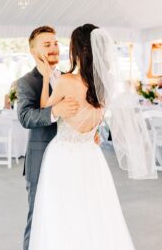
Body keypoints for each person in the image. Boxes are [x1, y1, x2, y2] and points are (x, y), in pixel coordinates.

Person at [28, 24, 136, 249]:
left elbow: (44, 110)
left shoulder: (67, 82)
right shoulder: (104, 87)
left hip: (63, 156)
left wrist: (48, 78)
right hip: (91, 155)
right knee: (94, 211)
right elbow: (95, 122)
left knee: (63, 212)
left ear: (76, 50)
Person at [17, 26, 80, 250]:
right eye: (47, 45)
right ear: (34, 52)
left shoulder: (70, 78)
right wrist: (55, 111)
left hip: (70, 158)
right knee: (37, 218)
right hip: (41, 159)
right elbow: (25, 117)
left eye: (55, 43)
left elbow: (79, 112)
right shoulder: (27, 82)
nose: (54, 48)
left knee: (67, 214)